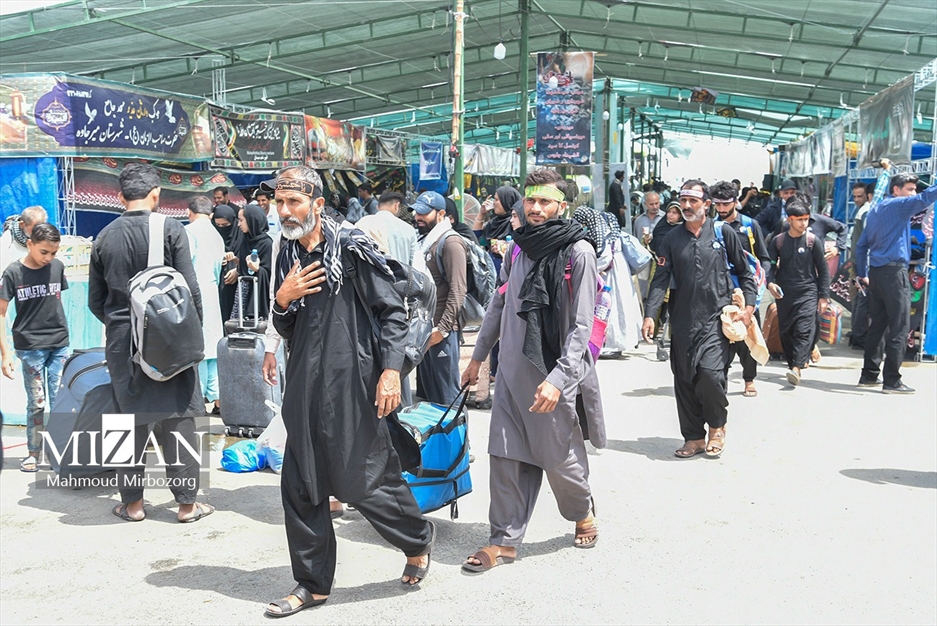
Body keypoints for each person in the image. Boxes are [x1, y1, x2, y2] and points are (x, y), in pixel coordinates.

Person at [265, 166, 434, 617]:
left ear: (317, 204)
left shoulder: (353, 249)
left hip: (354, 381)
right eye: (278, 202)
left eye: (293, 202)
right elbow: (288, 326)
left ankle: (417, 539)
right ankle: (312, 584)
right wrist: (282, 299)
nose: (284, 211)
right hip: (304, 382)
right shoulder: (286, 255)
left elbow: (393, 313)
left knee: (363, 478)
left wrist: (391, 372)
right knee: (301, 482)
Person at [460, 167, 605, 573]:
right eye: (531, 200)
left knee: (558, 458)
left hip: (552, 375)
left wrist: (558, 380)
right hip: (510, 373)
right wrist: (477, 359)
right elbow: (499, 305)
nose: (536, 208)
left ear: (562, 206)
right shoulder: (519, 249)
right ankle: (502, 541)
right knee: (504, 455)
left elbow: (581, 325)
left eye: (545, 201)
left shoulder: (579, 253)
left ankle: (581, 512)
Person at [88, 162, 210, 523]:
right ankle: (187, 505)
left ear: (119, 197)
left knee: (127, 420)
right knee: (181, 417)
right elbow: (190, 290)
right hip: (170, 340)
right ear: (156, 194)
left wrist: (125, 327)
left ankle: (134, 505)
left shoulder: (104, 236)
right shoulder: (171, 228)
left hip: (123, 343)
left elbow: (97, 301)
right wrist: (188, 336)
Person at [642, 180, 756, 459]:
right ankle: (693, 437)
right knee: (684, 379)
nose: (688, 205)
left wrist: (750, 306)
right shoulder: (671, 239)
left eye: (694, 200)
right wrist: (649, 315)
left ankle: (717, 426)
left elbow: (745, 273)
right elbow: (660, 279)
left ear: (706, 204)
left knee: (710, 375)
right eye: (684, 200)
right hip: (682, 321)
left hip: (717, 320)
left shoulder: (723, 233)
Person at [856, 160, 937, 393]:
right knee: (899, 328)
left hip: (878, 274)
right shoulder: (898, 206)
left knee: (878, 327)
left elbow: (861, 247)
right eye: (909, 189)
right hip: (894, 274)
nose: (913, 193)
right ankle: (892, 380)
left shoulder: (875, 211)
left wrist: (863, 274)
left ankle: (869, 375)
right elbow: (925, 199)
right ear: (896, 190)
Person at [0, 223, 69, 473]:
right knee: (37, 402)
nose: (48, 258)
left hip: (59, 345)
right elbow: (1, 312)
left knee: (61, 401)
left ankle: (58, 452)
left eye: (54, 253)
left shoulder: (58, 267)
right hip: (30, 347)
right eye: (44, 252)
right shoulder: (13, 273)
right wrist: (6, 353)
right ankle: (33, 453)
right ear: (29, 244)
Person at [711, 181, 771, 398]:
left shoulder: (749, 225)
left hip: (746, 289)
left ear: (736, 202)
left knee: (747, 335)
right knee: (720, 336)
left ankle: (749, 379)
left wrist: (759, 282)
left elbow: (764, 259)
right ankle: (720, 381)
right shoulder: (711, 227)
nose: (721, 209)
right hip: (721, 291)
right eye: (717, 204)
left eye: (726, 203)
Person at [767, 193, 830, 386]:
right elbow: (768, 265)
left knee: (804, 328)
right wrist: (770, 283)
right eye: (800, 220)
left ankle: (796, 367)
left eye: (806, 220)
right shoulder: (777, 241)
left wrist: (823, 296)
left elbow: (823, 269)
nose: (804, 224)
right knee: (786, 331)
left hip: (808, 292)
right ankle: (793, 362)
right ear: (789, 220)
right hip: (785, 292)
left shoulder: (813, 241)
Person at [413, 191, 467, 406]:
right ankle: (437, 441)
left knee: (447, 399)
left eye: (424, 213)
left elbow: (458, 289)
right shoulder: (426, 241)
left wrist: (442, 329)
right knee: (429, 400)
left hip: (441, 332)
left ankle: (459, 440)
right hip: (425, 330)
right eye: (416, 211)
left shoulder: (451, 243)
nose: (418, 216)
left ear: (441, 213)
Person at [185, 196, 225, 414]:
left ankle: (197, 401)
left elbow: (184, 267)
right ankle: (219, 401)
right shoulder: (217, 236)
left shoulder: (188, 233)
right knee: (212, 348)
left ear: (189, 212)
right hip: (211, 292)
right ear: (211, 214)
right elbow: (218, 271)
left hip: (192, 296)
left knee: (196, 349)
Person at [355, 191, 425, 273]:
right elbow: (417, 263)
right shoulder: (408, 229)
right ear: (397, 206)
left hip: (370, 282)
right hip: (402, 282)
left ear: (377, 207)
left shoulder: (363, 223)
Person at [229, 204, 272, 322]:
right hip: (243, 290)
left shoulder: (267, 244)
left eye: (242, 220)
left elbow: (270, 274)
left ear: (253, 220)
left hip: (257, 295)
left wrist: (258, 269)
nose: (239, 224)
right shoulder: (244, 240)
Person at [848, 181, 873, 349]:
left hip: (858, 260)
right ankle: (859, 336)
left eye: (859, 196)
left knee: (858, 299)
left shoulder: (862, 211)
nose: (856, 199)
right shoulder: (866, 211)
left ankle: (856, 334)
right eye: (854, 196)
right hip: (861, 261)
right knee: (862, 299)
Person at [212, 203, 242, 322]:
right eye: (218, 225)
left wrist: (237, 270)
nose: (221, 228)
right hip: (217, 284)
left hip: (236, 286)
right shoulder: (211, 236)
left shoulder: (241, 236)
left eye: (225, 225)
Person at [1, 205, 48, 272]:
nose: (39, 231)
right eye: (35, 228)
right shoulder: (8, 240)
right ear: (22, 224)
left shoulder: (45, 239)